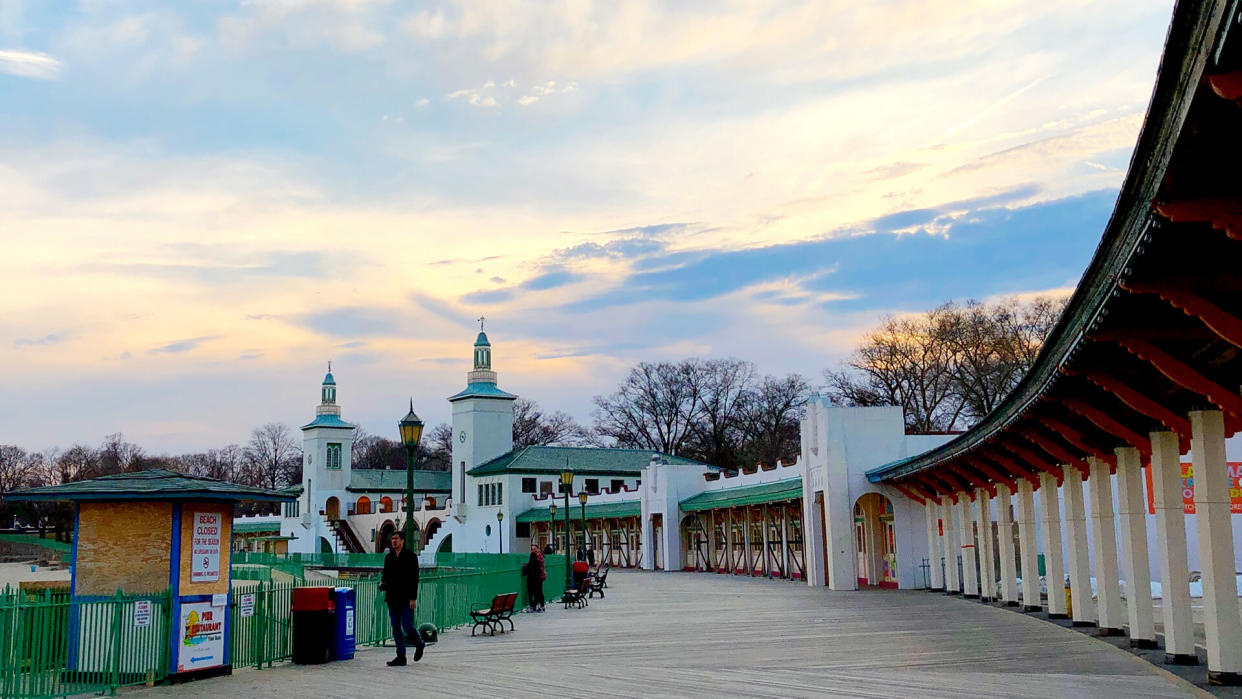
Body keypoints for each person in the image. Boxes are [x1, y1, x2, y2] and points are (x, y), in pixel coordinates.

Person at [381, 531, 425, 666]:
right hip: (392, 597)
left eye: (396, 539)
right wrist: (382, 584)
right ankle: (401, 656)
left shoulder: (411, 557)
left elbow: (414, 578)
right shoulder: (389, 557)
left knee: (407, 625)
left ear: (402, 541)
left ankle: (419, 643)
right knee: (395, 627)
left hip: (406, 597)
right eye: (392, 539)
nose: (394, 541)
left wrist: (413, 598)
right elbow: (386, 576)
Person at [525, 543, 546, 612]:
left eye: (534, 549)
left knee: (531, 594)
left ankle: (533, 606)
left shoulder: (529, 564)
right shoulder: (538, 562)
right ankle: (541, 606)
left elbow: (525, 572)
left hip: (531, 580)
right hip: (538, 579)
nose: (532, 550)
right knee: (539, 592)